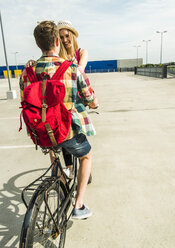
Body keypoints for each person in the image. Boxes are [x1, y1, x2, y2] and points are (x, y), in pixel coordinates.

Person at [19, 21, 98, 219]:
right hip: (66, 131)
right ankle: (78, 205)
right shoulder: (72, 69)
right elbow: (89, 97)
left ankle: (61, 183)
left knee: (53, 150)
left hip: (40, 132)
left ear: (38, 45)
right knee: (86, 156)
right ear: (56, 41)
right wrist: (94, 103)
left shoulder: (27, 72)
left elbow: (25, 99)